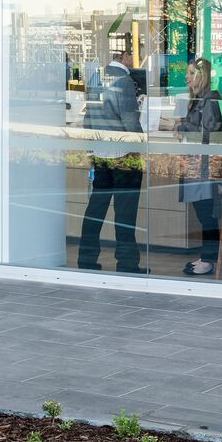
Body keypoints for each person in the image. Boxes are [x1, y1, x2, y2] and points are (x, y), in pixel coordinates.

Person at [77, 50, 147, 274]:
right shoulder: (124, 81)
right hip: (123, 155)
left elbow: (88, 118)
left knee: (95, 209)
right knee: (125, 213)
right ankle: (127, 263)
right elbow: (130, 121)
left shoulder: (96, 78)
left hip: (100, 153)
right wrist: (141, 147)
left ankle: (86, 259)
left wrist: (91, 149)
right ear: (124, 56)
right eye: (133, 55)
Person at [177, 57, 222, 276]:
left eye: (190, 73)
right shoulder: (197, 100)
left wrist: (183, 125)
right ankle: (206, 256)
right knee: (203, 212)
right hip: (195, 165)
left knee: (207, 214)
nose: (186, 77)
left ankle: (208, 259)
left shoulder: (210, 100)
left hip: (204, 167)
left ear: (201, 75)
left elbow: (210, 133)